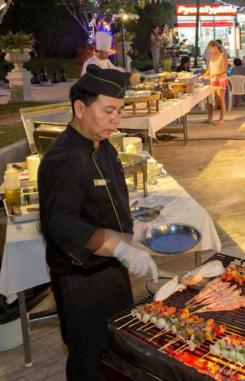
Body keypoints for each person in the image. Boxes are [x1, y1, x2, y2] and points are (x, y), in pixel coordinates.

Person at [38, 64, 158, 381]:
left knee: (117, 355)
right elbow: (61, 225)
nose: (116, 120)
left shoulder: (103, 147)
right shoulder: (64, 158)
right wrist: (120, 246)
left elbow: (109, 200)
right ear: (80, 107)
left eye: (119, 111)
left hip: (112, 275)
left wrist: (134, 231)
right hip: (83, 284)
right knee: (91, 361)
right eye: (108, 111)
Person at [202, 40, 228, 125]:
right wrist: (204, 75)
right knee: (212, 100)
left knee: (220, 99)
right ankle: (210, 118)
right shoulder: (212, 57)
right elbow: (209, 69)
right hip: (213, 80)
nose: (210, 51)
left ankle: (222, 119)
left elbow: (224, 70)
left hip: (220, 80)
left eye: (211, 49)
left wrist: (213, 75)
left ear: (215, 47)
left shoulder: (223, 56)